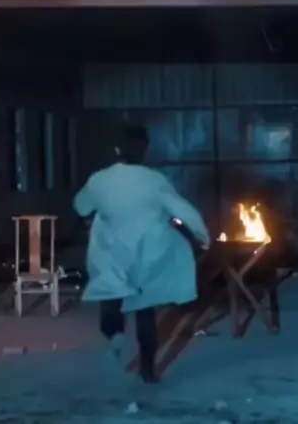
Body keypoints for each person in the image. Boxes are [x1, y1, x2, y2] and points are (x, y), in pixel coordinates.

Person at [73, 124, 210, 383]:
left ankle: (114, 333)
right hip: (149, 252)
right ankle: (147, 370)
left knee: (110, 296)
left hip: (113, 252)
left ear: (117, 149)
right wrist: (203, 235)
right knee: (145, 310)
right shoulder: (155, 181)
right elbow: (183, 210)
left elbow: (81, 207)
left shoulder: (99, 180)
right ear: (145, 150)